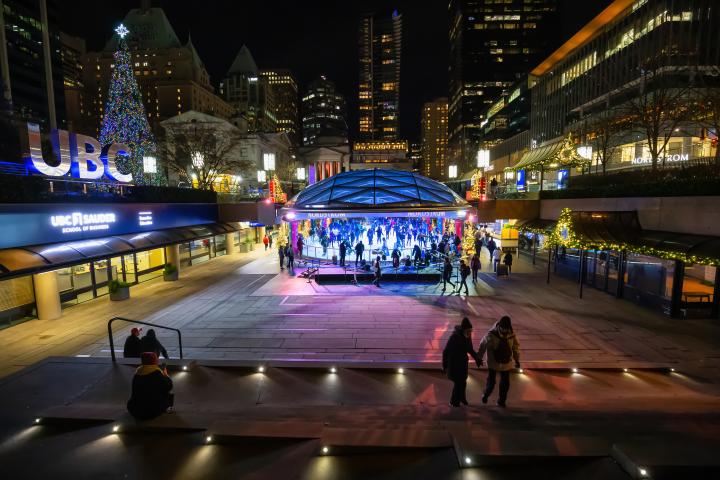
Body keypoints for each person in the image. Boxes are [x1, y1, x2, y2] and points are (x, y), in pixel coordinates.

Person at [477, 316, 521, 407]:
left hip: (506, 363)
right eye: (503, 328)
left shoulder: (512, 335)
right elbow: (482, 347)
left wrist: (517, 360)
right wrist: (479, 358)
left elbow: (515, 348)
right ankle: (486, 394)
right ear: (499, 326)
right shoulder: (491, 335)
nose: (505, 330)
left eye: (506, 328)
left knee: (505, 383)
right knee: (491, 382)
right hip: (493, 362)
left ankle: (501, 401)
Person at [442, 317, 481, 407]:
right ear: (463, 330)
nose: (470, 333)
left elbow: (470, 349)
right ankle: (454, 402)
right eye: (468, 331)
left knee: (463, 382)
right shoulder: (454, 337)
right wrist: (444, 365)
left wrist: (477, 359)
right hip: (454, 364)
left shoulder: (468, 336)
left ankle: (462, 398)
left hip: (463, 364)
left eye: (470, 331)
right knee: (458, 383)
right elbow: (446, 351)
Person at [127, 352, 174, 420]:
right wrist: (165, 375)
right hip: (151, 412)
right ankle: (168, 408)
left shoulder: (137, 374)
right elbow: (169, 386)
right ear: (155, 361)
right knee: (168, 394)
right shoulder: (156, 374)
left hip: (135, 411)